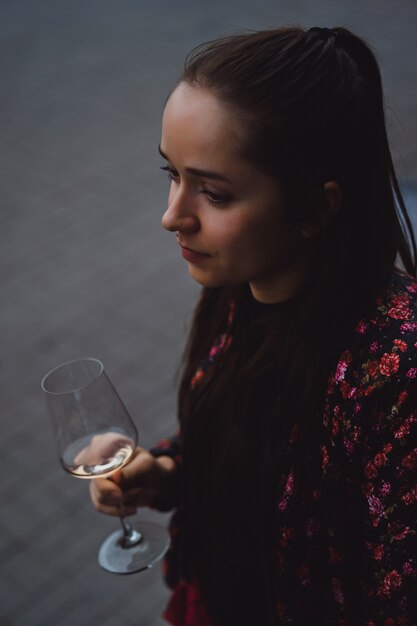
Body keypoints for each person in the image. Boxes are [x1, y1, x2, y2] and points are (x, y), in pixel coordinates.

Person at [89, 26, 417, 625]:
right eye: (172, 175)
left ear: (318, 207)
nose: (172, 218)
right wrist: (160, 472)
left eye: (213, 193)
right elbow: (250, 443)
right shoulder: (240, 283)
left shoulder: (394, 372)